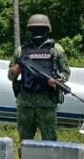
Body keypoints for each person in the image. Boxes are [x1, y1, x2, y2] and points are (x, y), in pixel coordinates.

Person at [8, 14, 70, 142]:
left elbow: (66, 72)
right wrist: (14, 71)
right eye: (34, 30)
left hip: (47, 104)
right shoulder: (21, 51)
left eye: (40, 29)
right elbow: (10, 76)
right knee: (25, 141)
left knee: (50, 142)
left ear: (47, 31)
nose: (37, 33)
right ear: (30, 31)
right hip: (26, 104)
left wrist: (57, 81)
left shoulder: (55, 50)